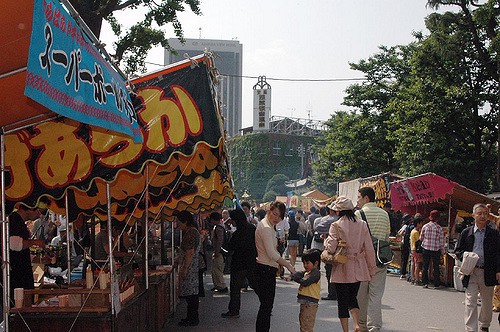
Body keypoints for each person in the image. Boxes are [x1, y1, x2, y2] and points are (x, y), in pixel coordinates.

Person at [327, 196, 376, 332]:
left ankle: (346, 330)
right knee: (353, 298)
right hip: (359, 267)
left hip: (341, 266)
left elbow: (331, 248)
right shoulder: (362, 224)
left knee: (342, 301)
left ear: (338, 211)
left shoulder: (335, 225)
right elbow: (369, 248)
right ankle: (357, 324)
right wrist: (372, 268)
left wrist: (326, 242)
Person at [454, 203, 500, 332]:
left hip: (488, 271)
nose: (482, 216)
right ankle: (471, 329)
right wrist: (465, 256)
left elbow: (498, 252)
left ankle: (484, 325)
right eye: (479, 213)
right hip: (471, 271)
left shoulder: (494, 233)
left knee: (486, 302)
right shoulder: (466, 232)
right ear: (473, 215)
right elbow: (458, 250)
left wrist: (498, 270)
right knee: (470, 301)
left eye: (485, 213)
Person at [254, 201, 296, 332]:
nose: (276, 217)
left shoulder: (268, 226)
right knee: (266, 307)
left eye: (279, 216)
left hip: (265, 268)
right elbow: (271, 253)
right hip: (264, 269)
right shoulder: (266, 227)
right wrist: (288, 265)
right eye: (274, 214)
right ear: (269, 211)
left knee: (266, 307)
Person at [355, 186, 390, 332]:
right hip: (380, 260)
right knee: (376, 295)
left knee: (361, 295)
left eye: (358, 197)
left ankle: (362, 325)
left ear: (366, 198)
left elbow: (356, 238)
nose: (357, 200)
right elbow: (387, 237)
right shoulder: (384, 214)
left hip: (363, 261)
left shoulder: (358, 214)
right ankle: (374, 326)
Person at [221, 208, 257, 318]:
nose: (231, 221)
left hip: (238, 264)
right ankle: (266, 306)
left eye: (232, 219)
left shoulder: (237, 233)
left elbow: (230, 247)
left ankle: (234, 311)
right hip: (252, 262)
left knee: (235, 289)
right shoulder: (252, 228)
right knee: (257, 286)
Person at [9, 203, 45, 303]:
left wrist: (39, 260)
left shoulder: (19, 222)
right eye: (38, 211)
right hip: (16, 275)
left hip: (22, 273)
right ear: (29, 208)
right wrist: (34, 242)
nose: (39, 215)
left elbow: (23, 253)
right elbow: (14, 244)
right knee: (20, 304)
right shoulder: (14, 220)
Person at [284, 249, 322, 332]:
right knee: (303, 324)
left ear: (316, 263)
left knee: (306, 327)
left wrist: (295, 279)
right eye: (304, 263)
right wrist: (291, 277)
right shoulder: (308, 272)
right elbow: (299, 273)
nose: (305, 265)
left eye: (307, 263)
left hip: (310, 304)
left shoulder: (316, 273)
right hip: (305, 303)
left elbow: (306, 282)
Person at [175, 211, 201, 327]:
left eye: (178, 222)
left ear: (185, 221)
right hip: (192, 266)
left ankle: (192, 318)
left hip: (190, 267)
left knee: (191, 295)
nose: (177, 224)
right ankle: (191, 317)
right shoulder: (192, 231)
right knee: (191, 294)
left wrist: (184, 268)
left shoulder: (191, 233)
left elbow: (190, 252)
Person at [420, 210, 445, 289]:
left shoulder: (425, 226)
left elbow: (421, 238)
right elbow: (441, 241)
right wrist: (443, 250)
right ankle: (436, 284)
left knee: (425, 266)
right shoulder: (439, 228)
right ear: (437, 219)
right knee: (436, 266)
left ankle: (425, 283)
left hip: (426, 248)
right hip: (435, 249)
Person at [209, 211, 227, 292]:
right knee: (215, 269)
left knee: (217, 270)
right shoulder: (220, 226)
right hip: (218, 251)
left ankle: (221, 286)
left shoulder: (219, 228)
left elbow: (220, 240)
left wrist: (217, 251)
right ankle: (217, 285)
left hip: (219, 252)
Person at [397, 214, 413, 280]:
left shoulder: (404, 226)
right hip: (406, 244)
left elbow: (399, 233)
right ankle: (403, 273)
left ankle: (402, 272)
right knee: (405, 259)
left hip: (403, 244)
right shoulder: (406, 226)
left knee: (404, 259)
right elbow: (400, 233)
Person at [409, 217, 424, 285]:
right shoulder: (416, 232)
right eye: (421, 223)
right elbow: (419, 240)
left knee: (413, 264)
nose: (422, 225)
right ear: (418, 224)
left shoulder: (412, 231)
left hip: (412, 249)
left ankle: (413, 278)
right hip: (416, 250)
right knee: (417, 264)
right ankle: (417, 279)